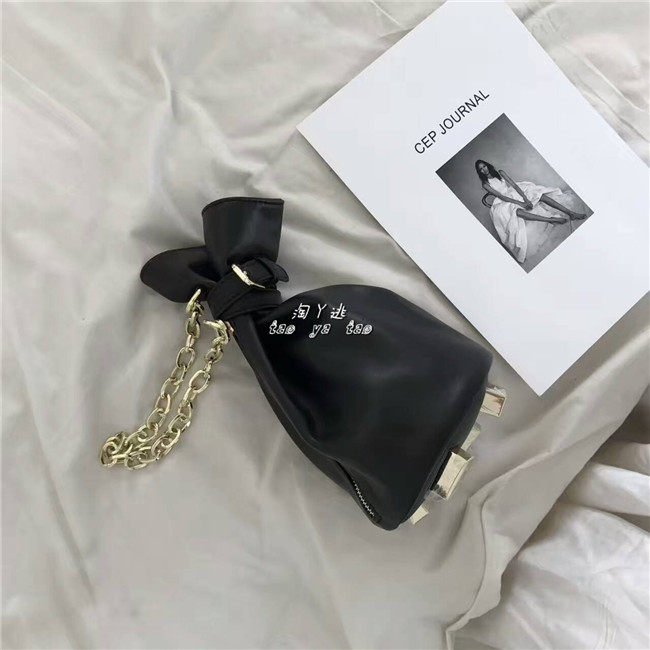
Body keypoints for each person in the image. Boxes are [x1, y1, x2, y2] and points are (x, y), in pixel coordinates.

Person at [475, 159, 586, 263]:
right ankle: (550, 219)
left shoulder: (500, 173)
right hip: (504, 201)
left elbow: (514, 185)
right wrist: (520, 203)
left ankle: (571, 213)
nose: (484, 169)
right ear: (479, 172)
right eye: (481, 169)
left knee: (540, 195)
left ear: (487, 165)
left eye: (484, 166)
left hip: (513, 192)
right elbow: (502, 197)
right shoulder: (485, 184)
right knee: (517, 212)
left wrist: (525, 198)